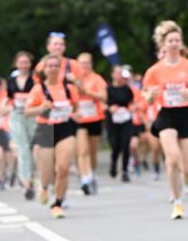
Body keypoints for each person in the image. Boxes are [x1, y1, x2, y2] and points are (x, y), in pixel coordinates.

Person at [142, 21, 188, 219]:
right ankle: (177, 202)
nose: (174, 44)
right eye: (170, 40)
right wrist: (151, 95)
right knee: (172, 158)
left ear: (181, 43)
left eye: (177, 40)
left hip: (187, 114)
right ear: (163, 44)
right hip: (167, 115)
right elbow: (146, 96)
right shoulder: (155, 70)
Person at [25, 55, 80, 218]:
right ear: (45, 69)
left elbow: (76, 109)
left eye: (56, 65)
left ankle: (58, 203)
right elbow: (27, 112)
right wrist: (41, 108)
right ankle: (43, 186)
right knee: (46, 173)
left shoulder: (69, 88)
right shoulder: (38, 89)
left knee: (63, 168)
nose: (53, 69)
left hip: (65, 128)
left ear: (60, 68)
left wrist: (77, 114)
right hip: (46, 130)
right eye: (50, 66)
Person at [74, 52, 108, 195]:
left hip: (94, 118)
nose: (84, 66)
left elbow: (103, 97)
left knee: (93, 151)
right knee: (82, 150)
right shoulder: (73, 80)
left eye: (87, 63)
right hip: (79, 119)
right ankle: (85, 179)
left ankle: (91, 173)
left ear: (91, 64)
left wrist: (87, 92)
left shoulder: (97, 79)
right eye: (82, 63)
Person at [5, 51, 36, 199]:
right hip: (17, 116)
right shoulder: (11, 80)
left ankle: (31, 175)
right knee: (23, 149)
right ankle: (26, 183)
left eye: (26, 62)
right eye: (21, 62)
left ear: (30, 64)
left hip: (32, 116)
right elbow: (8, 98)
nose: (24, 65)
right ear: (16, 64)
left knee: (33, 148)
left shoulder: (35, 80)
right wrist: (5, 107)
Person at [106, 65, 135, 181]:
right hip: (112, 121)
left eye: (120, 73)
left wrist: (131, 108)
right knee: (115, 146)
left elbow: (132, 102)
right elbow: (103, 103)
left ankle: (124, 171)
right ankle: (113, 163)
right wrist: (110, 108)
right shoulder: (108, 89)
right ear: (112, 75)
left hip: (125, 120)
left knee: (126, 144)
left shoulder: (127, 89)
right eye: (116, 73)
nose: (119, 75)